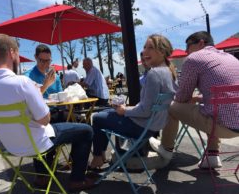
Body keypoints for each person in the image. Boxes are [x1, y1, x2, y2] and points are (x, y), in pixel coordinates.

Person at [0, 34, 98, 192]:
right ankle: (77, 179)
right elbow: (44, 120)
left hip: (10, 146)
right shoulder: (22, 82)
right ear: (12, 52)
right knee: (86, 130)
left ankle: (47, 173)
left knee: (66, 119)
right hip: (35, 142)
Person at [149, 31, 239, 169]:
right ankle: (212, 155)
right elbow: (229, 93)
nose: (186, 51)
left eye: (188, 46)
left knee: (171, 106)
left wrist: (188, 99)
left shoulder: (194, 59)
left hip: (222, 127)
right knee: (211, 106)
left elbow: (182, 97)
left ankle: (166, 149)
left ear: (201, 43)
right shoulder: (231, 58)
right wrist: (199, 98)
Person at [89, 34, 176, 169]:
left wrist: (125, 110)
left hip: (140, 127)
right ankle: (100, 156)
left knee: (97, 117)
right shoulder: (169, 72)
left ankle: (97, 158)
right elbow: (149, 107)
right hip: (151, 127)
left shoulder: (154, 73)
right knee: (106, 112)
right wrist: (129, 109)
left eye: (150, 48)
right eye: (144, 47)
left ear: (162, 52)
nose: (144, 52)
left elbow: (145, 111)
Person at [24, 44, 64, 122]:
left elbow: (61, 97)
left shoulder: (55, 77)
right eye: (42, 61)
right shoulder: (27, 77)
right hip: (40, 117)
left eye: (48, 61)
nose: (45, 64)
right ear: (36, 57)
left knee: (81, 121)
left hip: (57, 112)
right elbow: (29, 102)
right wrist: (46, 85)